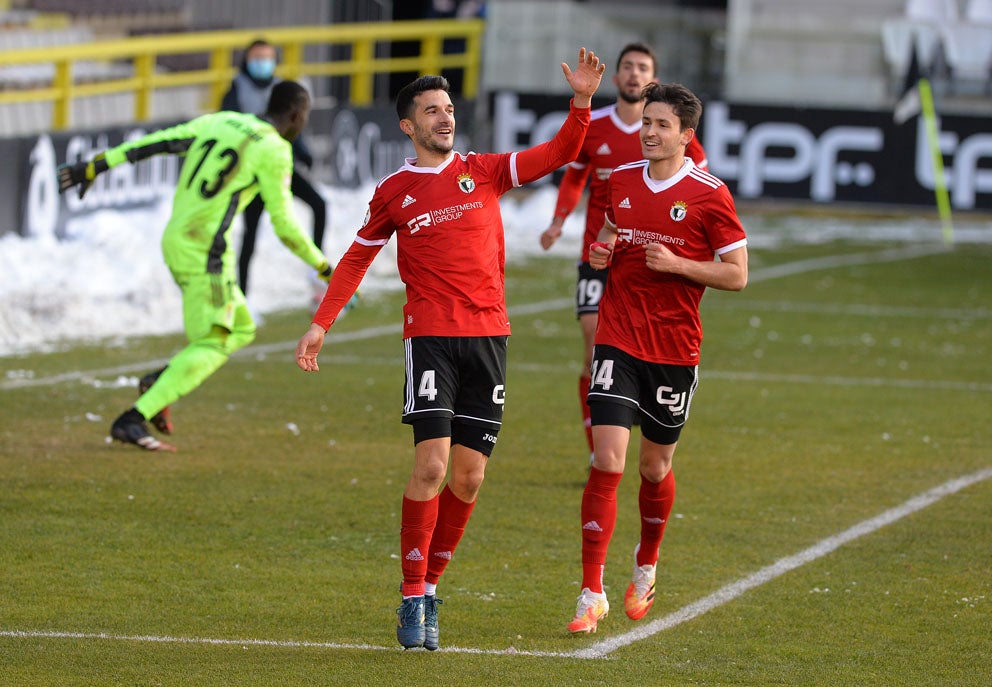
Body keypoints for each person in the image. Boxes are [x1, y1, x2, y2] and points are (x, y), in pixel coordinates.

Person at [295, 48, 606, 650]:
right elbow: (359, 255)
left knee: (468, 479)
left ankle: (431, 584)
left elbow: (559, 154)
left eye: (448, 107)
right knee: (432, 466)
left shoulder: (484, 170)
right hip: (431, 338)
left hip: (488, 337)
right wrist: (321, 323)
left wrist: (582, 104)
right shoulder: (395, 191)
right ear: (408, 126)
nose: (444, 117)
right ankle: (414, 597)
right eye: (431, 110)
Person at [57, 81, 333, 452]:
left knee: (242, 328)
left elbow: (157, 142)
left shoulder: (223, 121)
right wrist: (324, 266)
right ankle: (133, 419)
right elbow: (284, 225)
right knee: (215, 341)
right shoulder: (274, 149)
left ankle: (161, 381)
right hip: (206, 253)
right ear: (298, 115)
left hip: (177, 239)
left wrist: (98, 165)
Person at [566, 82, 748, 634]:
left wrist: (679, 265)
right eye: (646, 122)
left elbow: (737, 274)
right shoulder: (620, 181)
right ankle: (591, 590)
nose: (648, 132)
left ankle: (646, 564)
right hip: (618, 338)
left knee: (654, 466)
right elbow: (605, 237)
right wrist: (601, 252)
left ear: (686, 136)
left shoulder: (710, 194)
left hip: (673, 349)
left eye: (661, 125)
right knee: (607, 460)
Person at [539, 43, 708, 461]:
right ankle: (599, 447)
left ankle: (634, 413)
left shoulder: (668, 135)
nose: (634, 74)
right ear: (615, 78)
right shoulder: (594, 125)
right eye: (627, 67)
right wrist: (560, 220)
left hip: (647, 262)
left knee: (639, 349)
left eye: (643, 68)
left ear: (652, 78)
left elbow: (698, 182)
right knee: (594, 346)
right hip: (597, 254)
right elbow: (575, 176)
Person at [221, 38, 328, 303]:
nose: (263, 64)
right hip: (254, 174)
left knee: (319, 204)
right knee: (250, 236)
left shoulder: (282, 89)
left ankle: (317, 273)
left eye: (267, 58)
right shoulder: (236, 90)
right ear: (246, 60)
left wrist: (302, 150)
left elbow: (294, 121)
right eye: (257, 58)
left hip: (281, 167)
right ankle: (241, 298)